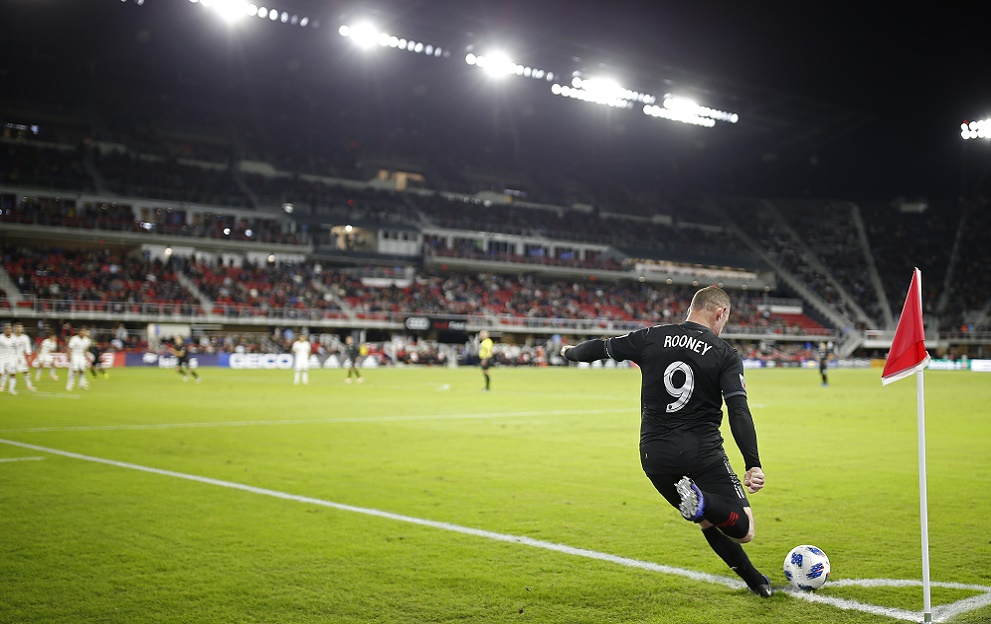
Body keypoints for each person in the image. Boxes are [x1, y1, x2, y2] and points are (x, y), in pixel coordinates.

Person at [560, 286, 772, 597]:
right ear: (720, 313)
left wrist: (568, 352)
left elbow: (598, 349)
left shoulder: (652, 336)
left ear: (691, 308)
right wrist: (752, 462)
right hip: (702, 452)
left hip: (655, 456)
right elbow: (738, 409)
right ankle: (703, 501)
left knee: (706, 521)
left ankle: (755, 580)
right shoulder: (725, 354)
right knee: (744, 529)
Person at [9, 323, 37, 393]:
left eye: (20, 328)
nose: (19, 329)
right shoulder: (11, 337)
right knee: (12, 373)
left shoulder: (25, 337)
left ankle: (29, 386)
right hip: (12, 357)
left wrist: (29, 355)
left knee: (26, 371)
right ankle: (11, 389)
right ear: (14, 329)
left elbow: (27, 348)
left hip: (21, 357)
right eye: (17, 328)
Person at [66, 327, 92, 391]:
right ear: (79, 332)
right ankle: (70, 384)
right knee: (75, 370)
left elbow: (85, 349)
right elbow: (69, 348)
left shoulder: (87, 340)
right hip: (74, 355)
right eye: (82, 331)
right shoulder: (74, 339)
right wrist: (68, 356)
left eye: (84, 331)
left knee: (82, 370)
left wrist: (87, 357)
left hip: (81, 356)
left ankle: (81, 384)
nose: (83, 333)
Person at [0, 323, 17, 394]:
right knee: (1, 373)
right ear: (4, 330)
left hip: (10, 358)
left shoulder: (14, 338)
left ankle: (11, 390)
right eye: (7, 329)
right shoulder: (0, 337)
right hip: (1, 357)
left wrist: (16, 357)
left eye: (9, 329)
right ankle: (1, 386)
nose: (8, 330)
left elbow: (16, 348)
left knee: (13, 373)